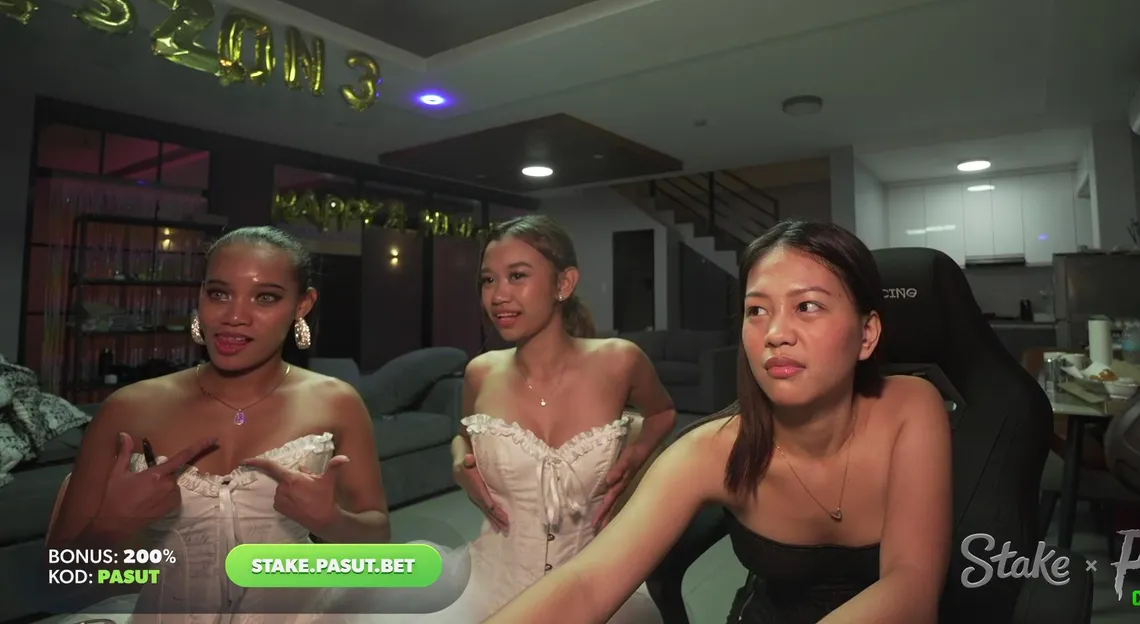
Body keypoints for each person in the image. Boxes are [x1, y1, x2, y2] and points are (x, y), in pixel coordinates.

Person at [483, 220, 954, 624]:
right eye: (757, 310)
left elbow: (912, 588)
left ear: (867, 334)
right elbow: (587, 582)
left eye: (807, 306)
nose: (775, 333)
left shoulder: (913, 407)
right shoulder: (710, 450)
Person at [51, 226, 388, 623]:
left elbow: (378, 546)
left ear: (302, 305)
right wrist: (116, 524)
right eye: (219, 294)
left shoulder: (337, 402)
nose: (234, 317)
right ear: (200, 296)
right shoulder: (127, 410)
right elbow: (61, 579)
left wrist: (331, 521)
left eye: (265, 297)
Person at [378, 214, 674, 622]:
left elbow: (663, 412)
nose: (498, 295)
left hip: (597, 582)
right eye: (488, 280)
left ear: (564, 283)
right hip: (492, 582)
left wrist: (637, 454)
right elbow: (463, 435)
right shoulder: (481, 372)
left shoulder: (620, 361)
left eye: (517, 276)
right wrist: (459, 461)